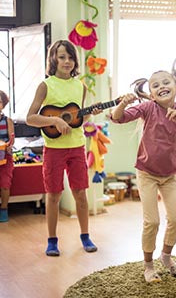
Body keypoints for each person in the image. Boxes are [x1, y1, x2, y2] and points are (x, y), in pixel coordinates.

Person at [110, 68, 176, 283]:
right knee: (151, 222)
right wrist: (123, 104)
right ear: (152, 94)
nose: (162, 86)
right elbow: (118, 118)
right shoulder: (147, 108)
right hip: (146, 174)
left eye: (166, 83)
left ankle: (166, 256)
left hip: (170, 175)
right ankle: (148, 265)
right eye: (156, 85)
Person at [26, 39, 100, 256]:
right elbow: (30, 118)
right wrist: (55, 122)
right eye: (61, 57)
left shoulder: (81, 86)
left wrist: (90, 113)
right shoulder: (45, 85)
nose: (66, 61)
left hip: (77, 147)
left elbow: (78, 119)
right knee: (54, 195)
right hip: (53, 150)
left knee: (81, 195)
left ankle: (85, 236)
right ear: (53, 60)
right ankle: (52, 240)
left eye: (70, 57)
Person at [0, 90, 14, 223]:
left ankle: (3, 209)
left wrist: (9, 145)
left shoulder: (7, 120)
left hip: (5, 157)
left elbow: (11, 138)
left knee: (5, 184)